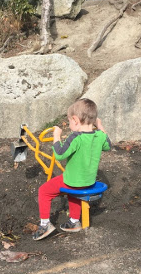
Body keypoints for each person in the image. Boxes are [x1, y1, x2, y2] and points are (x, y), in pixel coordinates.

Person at [33, 98, 111, 240]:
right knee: (74, 191)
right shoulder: (100, 136)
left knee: (44, 191)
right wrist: (100, 126)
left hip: (73, 181)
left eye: (69, 121)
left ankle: (45, 224)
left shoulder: (76, 137)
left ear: (75, 120)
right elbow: (108, 146)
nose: (69, 125)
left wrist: (56, 137)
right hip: (89, 181)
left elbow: (60, 154)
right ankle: (74, 221)